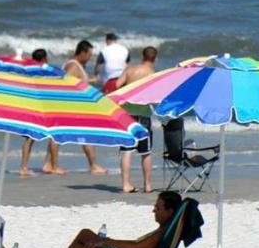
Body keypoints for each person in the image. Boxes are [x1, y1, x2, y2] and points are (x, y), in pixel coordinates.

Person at [56, 190, 182, 248]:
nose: (154, 210)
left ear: (170, 211)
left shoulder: (162, 233)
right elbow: (136, 246)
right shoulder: (164, 231)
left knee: (86, 233)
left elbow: (138, 247)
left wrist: (105, 242)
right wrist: (108, 242)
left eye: (158, 208)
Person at [115, 46, 158, 193]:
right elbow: (155, 97)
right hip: (144, 115)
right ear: (155, 58)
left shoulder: (130, 69)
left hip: (127, 115)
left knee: (127, 150)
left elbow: (117, 86)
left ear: (142, 56)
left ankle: (126, 184)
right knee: (146, 151)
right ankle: (148, 185)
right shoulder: (153, 74)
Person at [62, 40, 108, 175]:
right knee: (88, 135)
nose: (89, 58)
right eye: (89, 55)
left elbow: (76, 81)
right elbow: (65, 82)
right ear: (82, 52)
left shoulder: (75, 64)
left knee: (58, 136)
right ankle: (93, 165)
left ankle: (50, 163)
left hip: (74, 105)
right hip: (74, 106)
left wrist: (91, 81)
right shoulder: (74, 65)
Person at [20, 48, 63, 175]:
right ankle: (51, 165)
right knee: (54, 134)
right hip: (44, 107)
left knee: (29, 138)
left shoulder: (28, 72)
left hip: (30, 106)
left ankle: (24, 166)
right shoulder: (46, 71)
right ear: (44, 59)